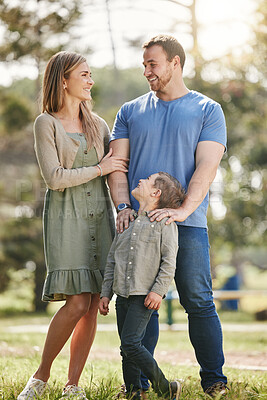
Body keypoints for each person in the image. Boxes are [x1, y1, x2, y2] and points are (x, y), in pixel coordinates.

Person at [107, 34, 228, 398]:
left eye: (152, 64)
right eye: (144, 64)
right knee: (141, 302)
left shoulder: (208, 109)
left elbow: (207, 166)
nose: (146, 71)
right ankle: (138, 388)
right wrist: (124, 207)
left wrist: (183, 210)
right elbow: (118, 165)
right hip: (138, 228)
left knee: (198, 301)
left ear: (175, 63)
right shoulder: (129, 111)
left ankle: (214, 381)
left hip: (186, 225)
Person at [17, 51, 128, 400]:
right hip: (67, 220)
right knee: (77, 301)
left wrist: (123, 208)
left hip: (101, 219)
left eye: (90, 74)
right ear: (63, 80)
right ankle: (39, 377)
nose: (90, 80)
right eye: (84, 74)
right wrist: (99, 169)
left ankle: (73, 385)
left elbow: (116, 174)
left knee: (93, 301)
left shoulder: (100, 125)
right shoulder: (45, 123)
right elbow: (54, 178)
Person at [99, 172, 186, 400]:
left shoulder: (164, 224)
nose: (141, 180)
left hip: (144, 296)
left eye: (148, 179)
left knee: (131, 343)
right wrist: (106, 293)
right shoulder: (126, 222)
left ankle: (166, 387)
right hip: (122, 296)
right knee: (125, 349)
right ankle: (134, 392)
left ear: (156, 193)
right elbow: (112, 260)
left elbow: (169, 262)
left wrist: (158, 291)